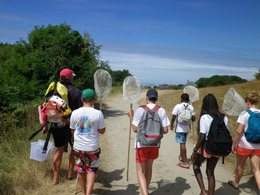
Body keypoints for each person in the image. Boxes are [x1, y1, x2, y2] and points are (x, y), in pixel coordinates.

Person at [42, 68, 83, 184]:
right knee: (74, 149)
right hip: (71, 125)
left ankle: (55, 179)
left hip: (57, 124)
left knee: (58, 150)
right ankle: (71, 172)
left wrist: (45, 125)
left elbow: (46, 108)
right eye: (73, 77)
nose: (73, 79)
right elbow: (80, 111)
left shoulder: (54, 90)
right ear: (70, 78)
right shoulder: (76, 92)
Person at [128, 89, 170, 195]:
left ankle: (145, 193)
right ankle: (145, 191)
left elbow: (135, 129)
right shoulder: (161, 110)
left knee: (140, 170)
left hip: (141, 144)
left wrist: (131, 117)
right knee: (149, 168)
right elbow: (165, 130)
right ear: (156, 99)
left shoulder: (140, 110)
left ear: (147, 98)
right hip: (155, 144)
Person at [191, 94, 229, 195]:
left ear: (205, 104)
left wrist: (195, 151)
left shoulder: (205, 117)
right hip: (218, 147)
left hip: (206, 147)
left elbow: (202, 136)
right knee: (210, 172)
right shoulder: (224, 117)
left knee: (195, 165)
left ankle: (203, 191)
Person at [70, 88, 106, 195]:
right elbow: (102, 131)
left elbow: (72, 130)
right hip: (92, 148)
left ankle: (83, 192)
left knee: (80, 170)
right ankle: (88, 193)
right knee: (92, 170)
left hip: (78, 147)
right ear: (93, 100)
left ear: (81, 99)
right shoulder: (98, 113)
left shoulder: (75, 113)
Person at [228, 91, 260, 190]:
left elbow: (239, 131)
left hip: (244, 145)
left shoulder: (244, 114)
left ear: (248, 102)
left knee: (240, 166)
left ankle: (236, 183)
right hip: (258, 145)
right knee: (256, 170)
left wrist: (234, 143)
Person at [170, 93, 195, 168]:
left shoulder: (178, 106)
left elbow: (174, 116)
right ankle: (181, 157)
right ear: (188, 100)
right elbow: (193, 119)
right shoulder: (191, 107)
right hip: (187, 128)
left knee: (182, 144)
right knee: (183, 143)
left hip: (179, 128)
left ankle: (185, 162)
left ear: (181, 99)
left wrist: (171, 124)